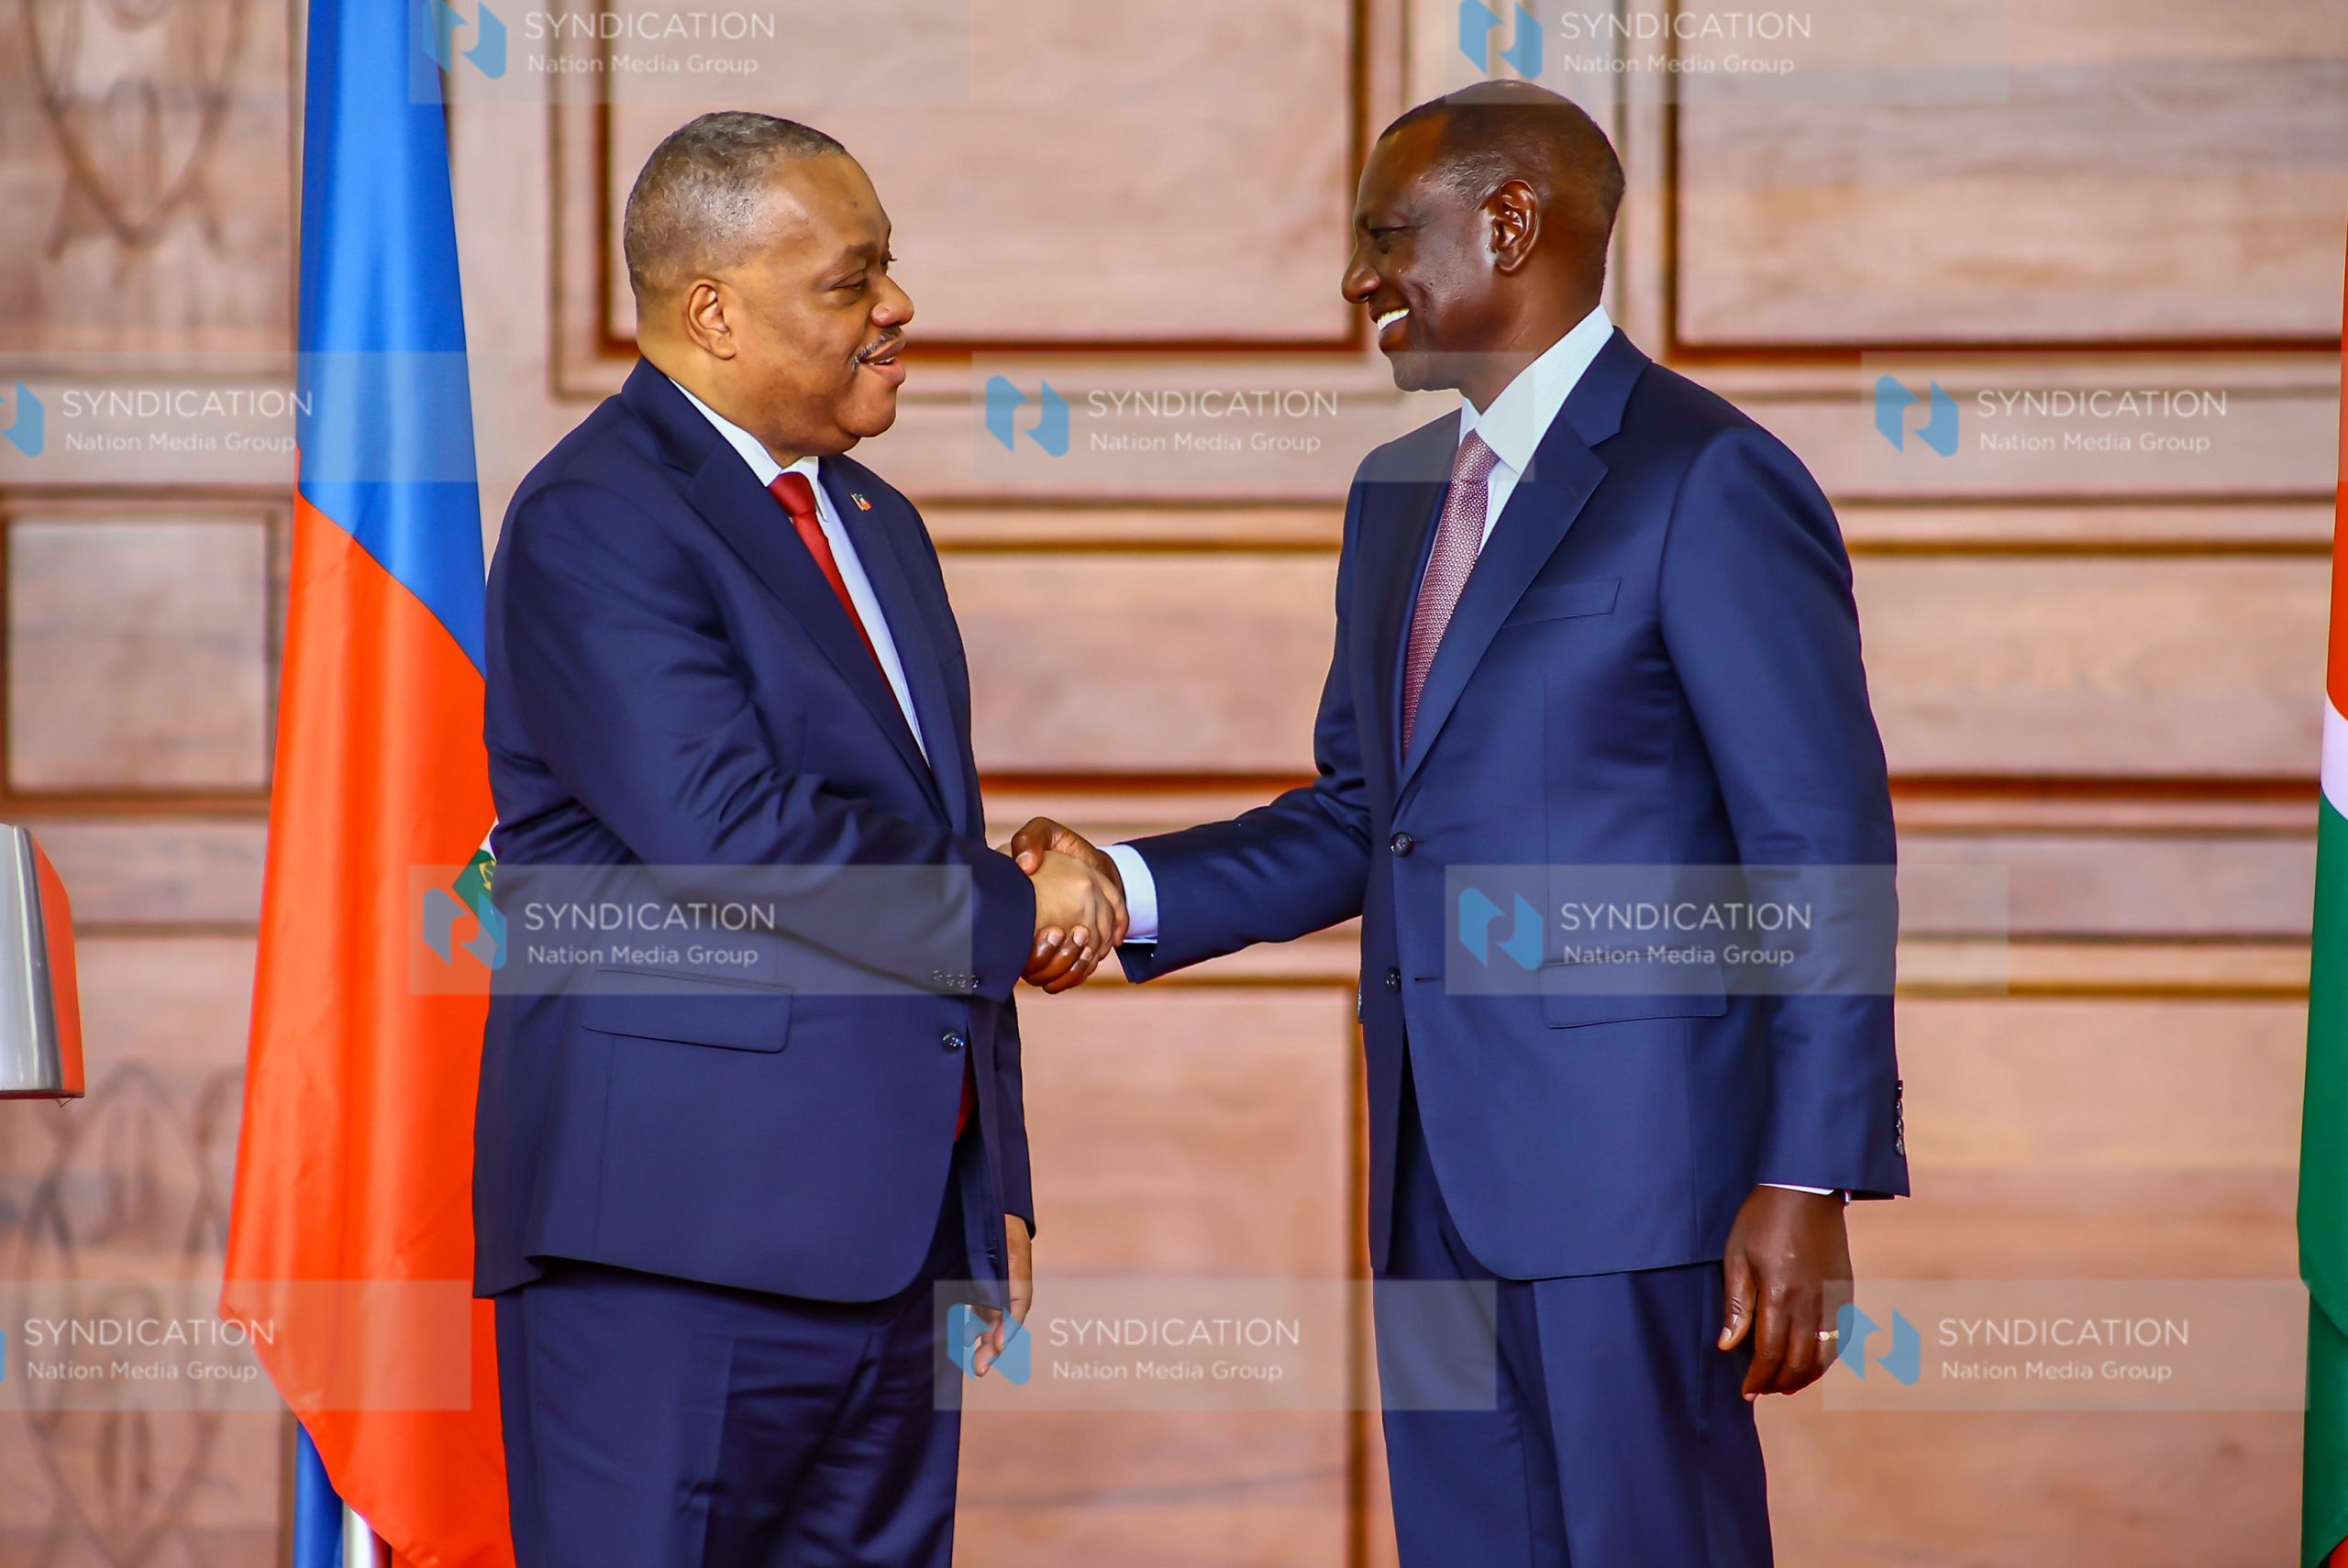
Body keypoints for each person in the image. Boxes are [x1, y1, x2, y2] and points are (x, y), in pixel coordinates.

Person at [1014, 82, 1907, 1566]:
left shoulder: (1709, 476)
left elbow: (1819, 844)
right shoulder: (1397, 494)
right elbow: (1374, 815)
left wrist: (1807, 1174)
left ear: (1509, 222)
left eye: (1384, 235)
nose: (1360, 279)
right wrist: (1120, 881)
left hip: (1641, 1188)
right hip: (1429, 1177)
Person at [472, 111, 1123, 1567]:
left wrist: (985, 1187)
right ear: (712, 309)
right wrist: (1030, 909)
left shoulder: (877, 519)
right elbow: (735, 836)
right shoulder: (597, 515)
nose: (898, 307)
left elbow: (920, 835)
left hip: (890, 1259)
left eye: (889, 268)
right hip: (670, 1252)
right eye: (853, 277)